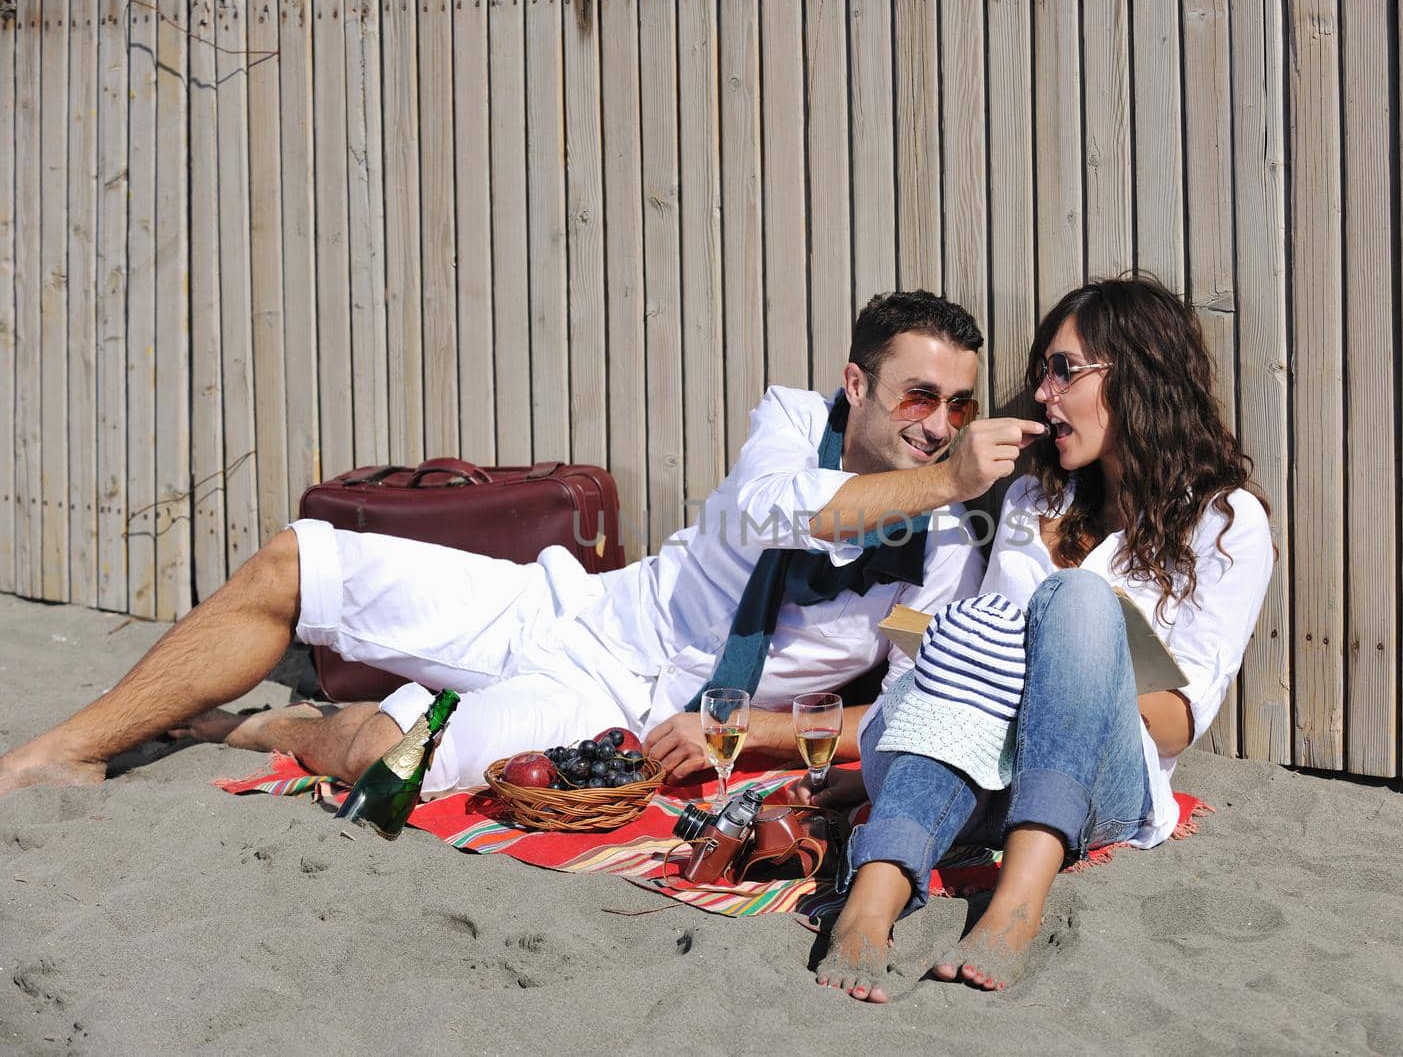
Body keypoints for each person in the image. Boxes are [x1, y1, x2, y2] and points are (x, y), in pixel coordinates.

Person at [0, 291, 1050, 798]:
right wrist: (948, 474)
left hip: (631, 700)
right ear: (857, 383)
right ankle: (62, 751)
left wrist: (762, 733)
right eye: (920, 393)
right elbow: (779, 510)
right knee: (299, 556)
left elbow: (915, 699)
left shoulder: (950, 537)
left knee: (388, 764)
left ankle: (249, 725)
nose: (939, 420)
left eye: (959, 405)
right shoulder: (790, 422)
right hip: (577, 608)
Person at [808, 275, 1275, 1003]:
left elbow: (1183, 720)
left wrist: (1070, 661)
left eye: (1064, 371)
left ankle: (1018, 904)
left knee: (1078, 601)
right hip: (979, 758)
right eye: (1042, 373)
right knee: (980, 636)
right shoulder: (1035, 497)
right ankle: (868, 905)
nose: (1044, 394)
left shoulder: (1226, 523)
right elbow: (968, 675)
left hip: (1101, 781)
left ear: (1140, 373)